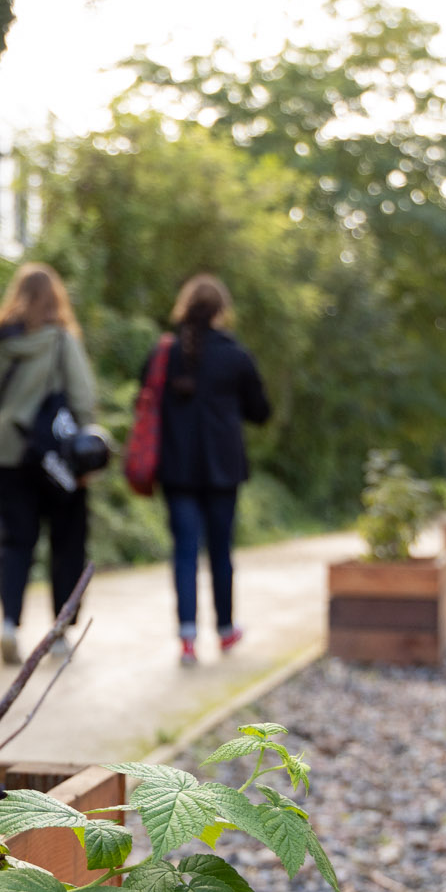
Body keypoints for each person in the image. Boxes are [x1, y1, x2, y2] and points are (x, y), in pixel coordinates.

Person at [0, 263, 98, 665]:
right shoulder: (60, 340)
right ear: (55, 298)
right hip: (55, 459)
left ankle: (9, 624)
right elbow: (83, 398)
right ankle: (59, 633)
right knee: (66, 541)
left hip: (8, 453)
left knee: (15, 542)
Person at [149, 273, 271, 667]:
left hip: (178, 471)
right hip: (222, 471)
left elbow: (146, 397)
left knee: (184, 553)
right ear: (222, 310)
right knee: (221, 553)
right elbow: (261, 412)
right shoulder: (235, 356)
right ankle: (225, 630)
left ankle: (186, 637)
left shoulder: (164, 354)